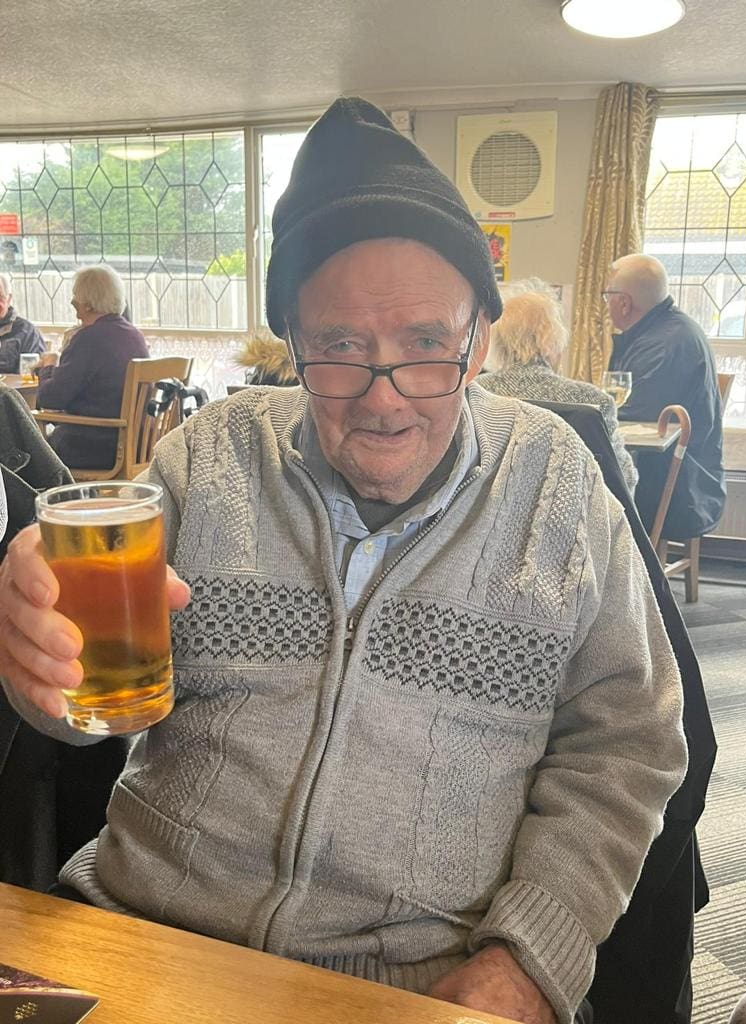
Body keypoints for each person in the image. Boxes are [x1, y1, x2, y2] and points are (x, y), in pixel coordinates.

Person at [0, 99, 687, 1024]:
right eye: (340, 350)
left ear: (477, 342)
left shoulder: (557, 484)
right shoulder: (208, 459)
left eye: (426, 347)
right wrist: (37, 656)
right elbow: (85, 720)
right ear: (294, 346)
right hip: (144, 939)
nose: (385, 397)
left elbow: (628, 744)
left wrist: (526, 962)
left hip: (415, 985)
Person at [605, 254, 726, 540]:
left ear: (624, 302)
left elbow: (631, 420)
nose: (606, 304)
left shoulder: (665, 345)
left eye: (607, 296)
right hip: (684, 478)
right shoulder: (665, 330)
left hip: (680, 492)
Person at [479, 281, 638, 493]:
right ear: (551, 340)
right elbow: (624, 483)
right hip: (572, 522)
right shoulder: (593, 400)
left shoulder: (474, 393)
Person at [35, 265, 149, 470]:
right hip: (136, 445)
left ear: (87, 304)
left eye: (75, 297)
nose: (73, 303)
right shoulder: (134, 336)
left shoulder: (89, 339)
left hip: (93, 446)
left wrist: (48, 365)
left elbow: (50, 399)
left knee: (23, 453)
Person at [0, 273, 45, 373]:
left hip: (13, 388)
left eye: (0, 297)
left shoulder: (27, 332)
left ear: (9, 299)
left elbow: (35, 373)